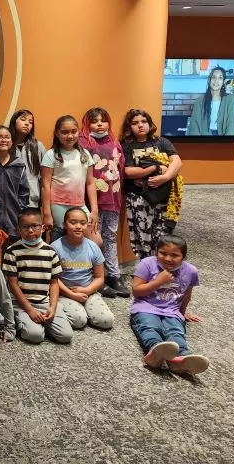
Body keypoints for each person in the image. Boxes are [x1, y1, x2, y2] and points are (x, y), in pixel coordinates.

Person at [130, 235, 209, 375]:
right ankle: (154, 351)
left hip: (172, 311)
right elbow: (136, 291)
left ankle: (181, 358)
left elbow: (187, 295)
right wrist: (158, 282)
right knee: (150, 327)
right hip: (145, 307)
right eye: (163, 253)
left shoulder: (191, 271)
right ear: (156, 252)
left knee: (175, 330)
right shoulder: (147, 263)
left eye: (174, 255)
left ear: (183, 257)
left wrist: (182, 314)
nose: (167, 258)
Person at [3, 208, 73, 344]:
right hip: (21, 304)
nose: (30, 230)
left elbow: (54, 283)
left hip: (44, 302)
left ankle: (43, 321)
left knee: (66, 336)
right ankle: (22, 321)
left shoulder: (51, 251)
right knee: (36, 336)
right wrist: (29, 310)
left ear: (43, 227)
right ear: (19, 230)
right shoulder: (12, 252)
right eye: (25, 227)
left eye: (35, 226)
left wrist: (52, 307)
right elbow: (13, 284)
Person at [79, 107, 128, 297]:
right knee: (92, 239)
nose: (99, 124)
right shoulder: (84, 143)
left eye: (103, 120)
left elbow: (120, 170)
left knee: (110, 237)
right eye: (94, 121)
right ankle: (94, 277)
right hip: (92, 202)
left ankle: (113, 275)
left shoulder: (115, 143)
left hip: (113, 199)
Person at [121, 109, 183, 260]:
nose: (140, 125)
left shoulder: (162, 142)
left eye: (144, 122)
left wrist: (165, 177)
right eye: (135, 123)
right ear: (129, 127)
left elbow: (177, 161)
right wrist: (154, 168)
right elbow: (128, 171)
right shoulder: (127, 146)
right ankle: (146, 267)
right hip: (138, 198)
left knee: (161, 235)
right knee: (141, 235)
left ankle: (160, 266)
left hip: (162, 197)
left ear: (150, 124)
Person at [51, 208, 114, 330]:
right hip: (65, 294)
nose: (78, 226)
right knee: (78, 321)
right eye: (73, 222)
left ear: (88, 225)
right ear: (64, 225)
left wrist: (87, 290)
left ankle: (87, 309)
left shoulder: (93, 247)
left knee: (106, 321)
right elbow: (53, 279)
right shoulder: (55, 248)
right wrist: (71, 294)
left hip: (89, 292)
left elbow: (100, 277)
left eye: (82, 223)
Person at [41, 115, 98, 243]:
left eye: (73, 131)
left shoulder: (85, 154)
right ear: (56, 133)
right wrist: (47, 213)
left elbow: (90, 183)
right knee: (60, 240)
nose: (70, 136)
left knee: (96, 241)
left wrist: (94, 210)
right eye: (64, 132)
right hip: (58, 205)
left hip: (80, 205)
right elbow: (45, 185)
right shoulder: (51, 155)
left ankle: (79, 264)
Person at [187, 66, 234, 136]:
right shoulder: (199, 101)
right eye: (214, 77)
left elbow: (232, 124)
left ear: (223, 82)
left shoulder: (230, 100)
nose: (216, 80)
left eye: (220, 78)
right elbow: (194, 125)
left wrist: (227, 143)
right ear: (209, 80)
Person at [10, 109, 46, 208]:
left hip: (32, 201)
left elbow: (44, 177)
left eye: (30, 122)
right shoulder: (6, 146)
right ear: (14, 121)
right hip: (9, 201)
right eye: (23, 119)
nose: (27, 124)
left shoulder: (38, 146)